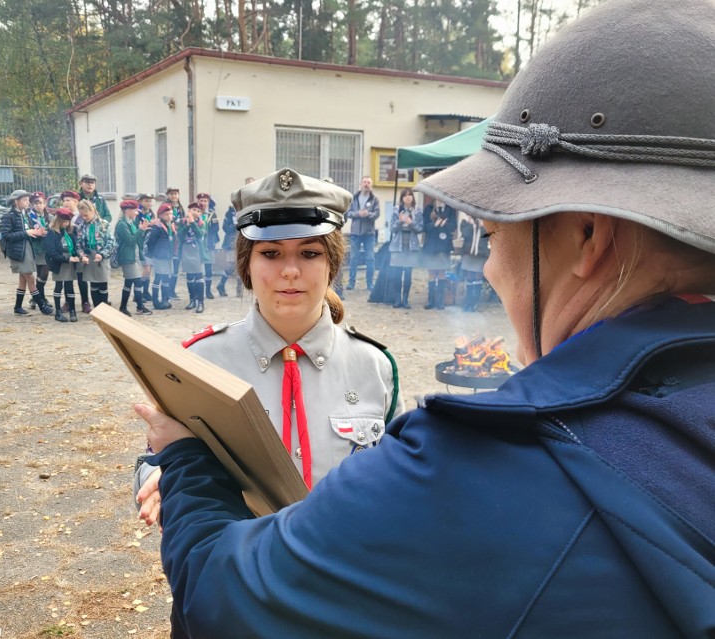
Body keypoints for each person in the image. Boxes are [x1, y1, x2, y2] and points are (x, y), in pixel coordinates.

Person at [131, 1, 715, 636]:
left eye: (492, 235)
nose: (489, 271)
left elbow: (225, 594)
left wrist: (188, 466)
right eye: (270, 255)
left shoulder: (446, 436)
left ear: (589, 235)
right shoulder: (202, 357)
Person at [135, 166, 402, 525]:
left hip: (344, 568)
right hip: (239, 569)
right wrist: (159, 476)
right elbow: (155, 459)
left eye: (309, 253)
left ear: (332, 264)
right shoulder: (199, 362)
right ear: (247, 264)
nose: (290, 271)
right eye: (271, 253)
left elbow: (398, 477)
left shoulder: (375, 366)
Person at [0, 189, 53, 316]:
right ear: (16, 202)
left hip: (26, 249)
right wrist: (27, 233)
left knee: (23, 280)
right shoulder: (9, 216)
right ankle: (42, 306)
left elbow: (27, 230)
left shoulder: (24, 214)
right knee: (30, 277)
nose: (28, 202)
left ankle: (17, 307)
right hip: (18, 252)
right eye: (24, 200)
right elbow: (6, 235)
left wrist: (35, 232)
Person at [389, 188, 424, 309]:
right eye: (405, 195)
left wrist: (410, 222)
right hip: (398, 246)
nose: (408, 197)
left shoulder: (418, 211)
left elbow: (420, 229)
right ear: (402, 198)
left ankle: (405, 299)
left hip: (411, 247)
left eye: (410, 195)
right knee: (397, 275)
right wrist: (400, 221)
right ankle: (397, 299)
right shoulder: (395, 210)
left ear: (413, 197)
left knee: (408, 275)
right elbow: (392, 228)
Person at [76, 199, 114, 308]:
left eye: (86, 215)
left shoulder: (104, 224)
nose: (84, 218)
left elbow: (111, 241)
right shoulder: (81, 226)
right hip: (89, 257)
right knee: (93, 284)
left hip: (101, 256)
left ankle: (104, 308)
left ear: (93, 211)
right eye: (81, 215)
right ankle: (97, 309)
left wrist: (102, 254)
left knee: (103, 283)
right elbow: (78, 244)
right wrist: (82, 255)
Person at [44, 208, 80, 323]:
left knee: (70, 286)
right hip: (59, 262)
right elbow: (51, 252)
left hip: (70, 262)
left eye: (68, 221)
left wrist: (78, 256)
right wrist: (67, 258)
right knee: (58, 286)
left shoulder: (69, 231)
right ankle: (58, 312)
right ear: (58, 220)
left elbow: (74, 247)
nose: (66, 224)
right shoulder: (51, 232)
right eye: (64, 221)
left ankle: (73, 310)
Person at [421, 197, 457, 310]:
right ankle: (431, 300)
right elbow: (424, 227)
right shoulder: (429, 208)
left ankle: (440, 301)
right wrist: (435, 225)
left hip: (444, 245)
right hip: (431, 245)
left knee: (442, 272)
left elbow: (453, 226)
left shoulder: (450, 209)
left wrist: (444, 224)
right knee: (432, 273)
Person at [115, 199, 149, 316]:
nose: (137, 213)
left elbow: (138, 240)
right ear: (128, 211)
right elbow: (130, 241)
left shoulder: (131, 223)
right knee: (138, 281)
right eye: (135, 211)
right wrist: (140, 230)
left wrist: (141, 231)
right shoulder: (122, 224)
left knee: (129, 282)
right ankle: (140, 307)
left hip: (134, 257)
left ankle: (123, 307)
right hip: (127, 257)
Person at [345, 175, 380, 291]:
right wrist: (358, 214)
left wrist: (367, 215)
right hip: (355, 233)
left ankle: (370, 284)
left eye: (368, 182)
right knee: (353, 258)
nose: (366, 184)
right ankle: (351, 283)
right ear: (361, 184)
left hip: (369, 234)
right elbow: (348, 213)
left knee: (370, 259)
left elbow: (377, 214)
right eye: (364, 182)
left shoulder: (374, 199)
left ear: (371, 185)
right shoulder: (353, 198)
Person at [60, 190, 91, 314]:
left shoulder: (80, 215)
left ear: (76, 202)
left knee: (81, 277)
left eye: (68, 200)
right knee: (67, 278)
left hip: (80, 250)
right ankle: (68, 301)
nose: (65, 203)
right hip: (67, 251)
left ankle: (85, 301)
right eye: (64, 200)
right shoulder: (63, 215)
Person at [144, 203, 175, 310]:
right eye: (166, 214)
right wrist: (154, 254)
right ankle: (156, 301)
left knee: (166, 278)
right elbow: (150, 242)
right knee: (158, 278)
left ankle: (165, 299)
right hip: (159, 257)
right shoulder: (157, 227)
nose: (169, 216)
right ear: (160, 215)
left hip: (168, 256)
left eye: (170, 214)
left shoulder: (169, 225)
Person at [177, 201, 207, 313]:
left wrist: (193, 223)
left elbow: (200, 234)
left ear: (200, 214)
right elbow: (179, 236)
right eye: (194, 210)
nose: (196, 212)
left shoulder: (202, 223)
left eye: (198, 211)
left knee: (199, 277)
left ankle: (200, 302)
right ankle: (192, 300)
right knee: (189, 277)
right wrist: (187, 225)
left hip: (197, 251)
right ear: (189, 211)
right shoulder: (182, 222)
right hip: (186, 250)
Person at [459, 214, 490, 312]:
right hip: (469, 255)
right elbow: (465, 234)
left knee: (477, 280)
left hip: (480, 256)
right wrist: (470, 224)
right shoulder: (465, 222)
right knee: (469, 279)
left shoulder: (486, 223)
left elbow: (487, 237)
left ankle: (474, 303)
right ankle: (467, 303)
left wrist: (481, 226)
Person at [27, 192, 51, 311]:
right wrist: (35, 232)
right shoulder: (29, 217)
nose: (38, 205)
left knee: (44, 274)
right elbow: (27, 230)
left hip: (47, 248)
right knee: (39, 274)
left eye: (40, 203)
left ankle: (36, 297)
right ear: (32, 204)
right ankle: (41, 298)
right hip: (35, 248)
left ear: (45, 203)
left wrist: (48, 232)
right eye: (35, 203)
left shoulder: (49, 216)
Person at [197, 192, 220, 299]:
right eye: (201, 201)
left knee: (208, 268)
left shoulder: (212, 213)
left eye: (205, 201)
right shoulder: (195, 212)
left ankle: (208, 291)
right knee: (197, 268)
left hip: (209, 243)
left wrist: (208, 231)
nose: (203, 203)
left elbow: (216, 228)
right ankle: (198, 291)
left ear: (208, 202)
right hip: (198, 244)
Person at [136, 193, 155, 308]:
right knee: (145, 268)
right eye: (146, 201)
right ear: (140, 202)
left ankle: (146, 292)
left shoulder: (151, 213)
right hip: (141, 243)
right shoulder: (138, 213)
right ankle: (138, 292)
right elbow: (137, 226)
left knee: (149, 269)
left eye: (150, 201)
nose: (148, 203)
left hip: (149, 243)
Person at [165, 186, 185, 299]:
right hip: (171, 239)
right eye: (171, 194)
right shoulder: (166, 207)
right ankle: (166, 290)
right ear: (168, 195)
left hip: (179, 239)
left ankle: (172, 290)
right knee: (169, 267)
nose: (174, 196)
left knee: (176, 266)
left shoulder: (180, 208)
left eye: (175, 194)